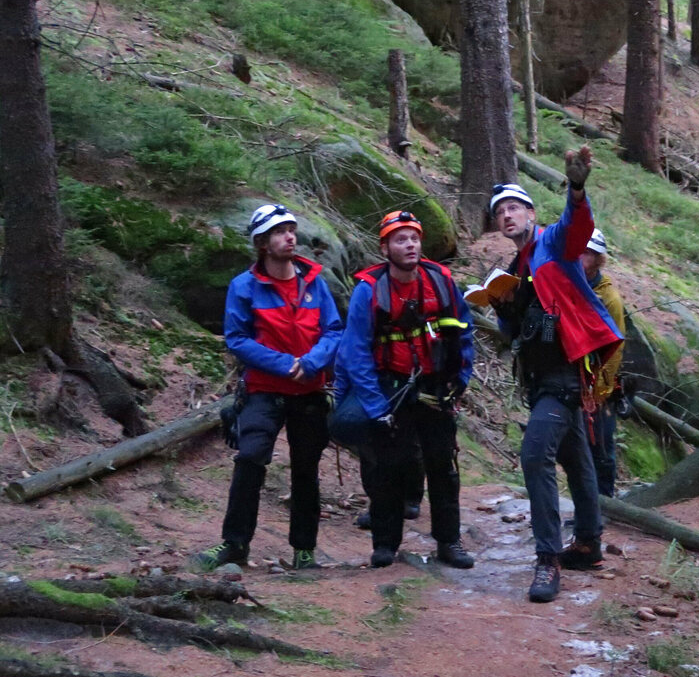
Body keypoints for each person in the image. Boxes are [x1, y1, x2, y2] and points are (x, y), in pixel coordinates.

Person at [488, 146, 623, 602]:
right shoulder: (513, 269)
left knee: (534, 457)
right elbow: (515, 333)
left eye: (514, 208)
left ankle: (547, 560)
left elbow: (578, 227)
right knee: (577, 462)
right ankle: (587, 543)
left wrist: (578, 187)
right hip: (540, 378)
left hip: (565, 373)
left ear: (529, 213)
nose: (507, 216)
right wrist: (504, 309)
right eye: (500, 212)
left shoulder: (553, 242)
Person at [196, 204, 343, 571]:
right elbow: (238, 339)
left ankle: (304, 550)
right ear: (262, 242)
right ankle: (234, 544)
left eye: (291, 229)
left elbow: (334, 330)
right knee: (249, 459)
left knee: (306, 468)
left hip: (309, 391)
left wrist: (309, 363)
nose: (290, 237)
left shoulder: (314, 281)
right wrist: (284, 365)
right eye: (280, 232)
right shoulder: (244, 286)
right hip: (264, 390)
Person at [337, 210, 475, 569]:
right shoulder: (369, 290)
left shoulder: (440, 280)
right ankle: (385, 544)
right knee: (388, 468)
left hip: (435, 388)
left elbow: (463, 330)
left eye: (414, 237)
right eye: (401, 239)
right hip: (391, 388)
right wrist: (375, 407)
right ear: (385, 248)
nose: (410, 244)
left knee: (443, 466)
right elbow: (356, 352)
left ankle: (449, 542)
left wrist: (460, 379)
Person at [580, 228, 627, 497]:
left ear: (598, 259)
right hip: (573, 381)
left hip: (599, 388)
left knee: (602, 449)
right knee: (580, 449)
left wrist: (598, 392)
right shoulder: (571, 287)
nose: (580, 259)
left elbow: (616, 347)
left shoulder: (609, 299)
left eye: (587, 254)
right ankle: (585, 504)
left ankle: (605, 502)